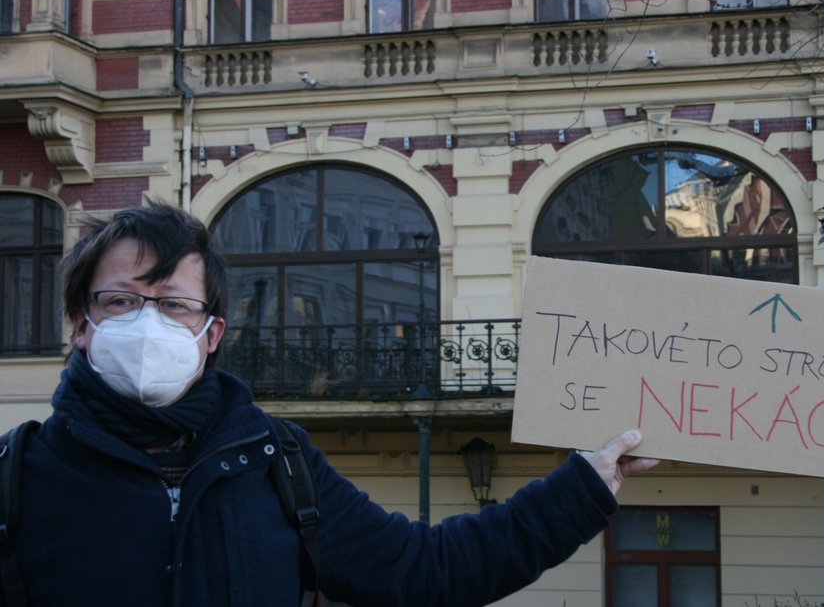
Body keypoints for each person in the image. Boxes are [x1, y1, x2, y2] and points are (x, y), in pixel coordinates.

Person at [3, 202, 658, 607]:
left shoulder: (278, 463)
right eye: (120, 301)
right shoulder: (16, 480)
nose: (148, 325)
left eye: (174, 303)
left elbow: (426, 572)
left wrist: (583, 484)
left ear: (212, 334)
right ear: (81, 324)